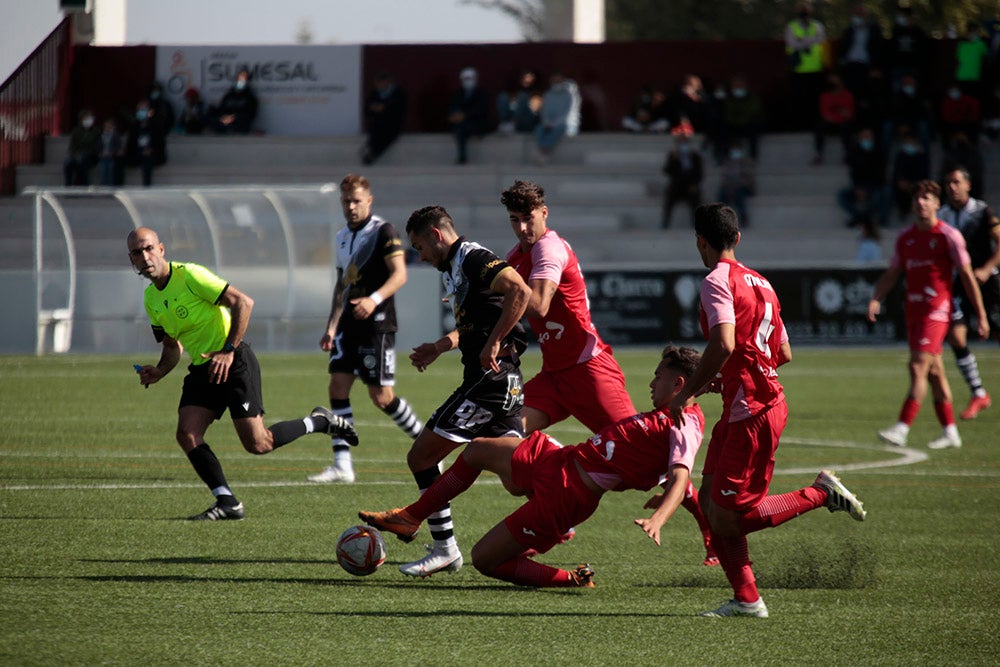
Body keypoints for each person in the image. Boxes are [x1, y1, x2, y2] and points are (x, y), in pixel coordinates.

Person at [360, 345, 711, 588]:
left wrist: (659, 518)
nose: (651, 383)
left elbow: (682, 478)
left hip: (568, 495)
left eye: (658, 377)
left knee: (485, 560)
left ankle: (572, 578)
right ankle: (411, 517)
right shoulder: (668, 414)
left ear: (679, 384)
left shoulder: (685, 424)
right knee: (478, 449)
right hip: (559, 460)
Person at [667, 203, 867, 618]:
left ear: (700, 242)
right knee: (709, 500)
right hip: (747, 405)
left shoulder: (716, 281)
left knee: (729, 518)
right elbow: (784, 353)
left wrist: (691, 391)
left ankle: (819, 494)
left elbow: (722, 343)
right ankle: (746, 599)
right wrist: (733, 377)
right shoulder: (762, 282)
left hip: (753, 412)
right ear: (737, 238)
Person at [126, 227, 357, 520]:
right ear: (131, 260)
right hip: (202, 368)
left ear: (161, 248)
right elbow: (172, 346)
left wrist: (228, 350)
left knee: (259, 444)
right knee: (187, 433)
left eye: (148, 248)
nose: (144, 257)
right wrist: (159, 371)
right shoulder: (151, 299)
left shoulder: (190, 275)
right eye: (137, 252)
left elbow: (243, 303)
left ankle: (320, 421)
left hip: (234, 361)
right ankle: (227, 501)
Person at [394, 205, 531, 577]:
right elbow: (478, 322)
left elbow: (520, 290)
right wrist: (439, 346)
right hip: (503, 378)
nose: (419, 256)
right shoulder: (457, 267)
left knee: (422, 457)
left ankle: (445, 549)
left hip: (487, 380)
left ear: (436, 235)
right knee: (518, 478)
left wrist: (495, 342)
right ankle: (563, 501)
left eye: (420, 246)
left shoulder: (472, 257)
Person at [309, 174, 423, 484]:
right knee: (337, 387)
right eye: (346, 201)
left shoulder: (383, 231)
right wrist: (331, 327)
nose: (351, 206)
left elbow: (400, 275)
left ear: (369, 201)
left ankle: (429, 445)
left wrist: (373, 300)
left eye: (357, 201)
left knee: (382, 397)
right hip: (348, 325)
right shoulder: (341, 237)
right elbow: (341, 284)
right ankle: (342, 464)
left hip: (377, 324)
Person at [869, 180, 989, 449]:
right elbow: (893, 274)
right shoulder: (906, 238)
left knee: (917, 366)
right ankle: (950, 432)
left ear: (937, 204)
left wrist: (981, 315)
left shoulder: (949, 236)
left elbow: (968, 277)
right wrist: (877, 298)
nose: (921, 202)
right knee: (934, 373)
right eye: (917, 199)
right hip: (914, 310)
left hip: (938, 310)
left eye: (927, 198)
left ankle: (902, 428)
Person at [938, 168, 1000, 420]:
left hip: (987, 282)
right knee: (955, 335)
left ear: (968, 185)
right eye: (948, 183)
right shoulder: (941, 214)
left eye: (956, 182)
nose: (952, 187)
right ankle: (979, 393)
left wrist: (987, 268)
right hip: (959, 283)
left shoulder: (982, 211)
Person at [784, 1, 827, 132]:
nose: (804, 12)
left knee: (814, 102)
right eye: (802, 10)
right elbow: (792, 44)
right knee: (798, 102)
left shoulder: (817, 26)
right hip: (798, 70)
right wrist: (810, 40)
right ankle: (798, 126)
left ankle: (815, 127)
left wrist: (801, 40)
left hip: (815, 70)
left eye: (806, 9)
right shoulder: (791, 26)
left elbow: (820, 40)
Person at [837, 127, 887, 227]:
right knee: (841, 195)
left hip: (874, 185)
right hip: (860, 185)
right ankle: (863, 218)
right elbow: (854, 173)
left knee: (881, 194)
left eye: (869, 136)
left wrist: (868, 188)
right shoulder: (855, 152)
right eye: (864, 136)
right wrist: (858, 188)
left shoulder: (879, 153)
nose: (867, 139)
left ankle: (861, 218)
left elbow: (880, 174)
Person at [836, 3, 885, 97]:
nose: (857, 16)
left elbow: (879, 50)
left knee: (865, 95)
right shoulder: (848, 31)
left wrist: (877, 68)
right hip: (849, 66)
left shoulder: (874, 30)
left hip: (866, 66)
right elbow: (842, 50)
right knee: (850, 94)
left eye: (860, 14)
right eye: (855, 14)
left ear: (865, 15)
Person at [533, 72, 581, 165]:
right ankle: (542, 152)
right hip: (546, 123)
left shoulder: (568, 96)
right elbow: (544, 111)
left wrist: (554, 124)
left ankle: (543, 152)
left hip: (561, 124)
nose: (557, 83)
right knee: (539, 129)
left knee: (557, 131)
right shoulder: (548, 95)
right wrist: (547, 122)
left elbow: (566, 113)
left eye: (559, 81)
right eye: (555, 81)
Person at [661, 128, 704, 229]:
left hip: (691, 186)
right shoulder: (673, 156)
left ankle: (697, 225)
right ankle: (665, 224)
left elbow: (699, 173)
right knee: (669, 199)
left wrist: (694, 184)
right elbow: (666, 171)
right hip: (677, 186)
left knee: (696, 200)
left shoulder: (695, 157)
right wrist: (674, 160)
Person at [447, 67, 491, 165]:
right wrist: (454, 116)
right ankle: (462, 157)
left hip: (477, 122)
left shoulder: (482, 93)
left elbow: (481, 109)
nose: (467, 81)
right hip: (461, 124)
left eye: (469, 79)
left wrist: (464, 115)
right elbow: (453, 107)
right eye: (465, 79)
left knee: (463, 127)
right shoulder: (458, 93)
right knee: (459, 129)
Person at [362, 72, 407, 165]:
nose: (380, 85)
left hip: (394, 123)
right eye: (378, 83)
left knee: (387, 134)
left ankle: (374, 153)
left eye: (382, 83)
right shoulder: (374, 93)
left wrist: (384, 108)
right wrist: (375, 108)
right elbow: (367, 109)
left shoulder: (398, 93)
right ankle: (371, 151)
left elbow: (400, 109)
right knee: (376, 132)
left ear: (388, 82)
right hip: (378, 122)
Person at [813, 72, 855, 165]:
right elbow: (825, 113)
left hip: (843, 123)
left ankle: (847, 155)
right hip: (830, 123)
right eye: (831, 80)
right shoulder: (824, 96)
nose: (833, 82)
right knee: (820, 127)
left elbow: (849, 113)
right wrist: (839, 114)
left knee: (846, 127)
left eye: (835, 80)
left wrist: (840, 114)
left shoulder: (847, 95)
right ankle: (818, 154)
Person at [717, 142, 756, 227]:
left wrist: (736, 185)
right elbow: (724, 177)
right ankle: (719, 218)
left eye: (737, 149)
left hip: (743, 187)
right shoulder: (727, 162)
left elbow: (749, 179)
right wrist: (729, 186)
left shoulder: (747, 162)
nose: (735, 152)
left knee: (738, 195)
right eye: (734, 149)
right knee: (722, 193)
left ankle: (743, 218)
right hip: (730, 187)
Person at [212, 68, 258, 135]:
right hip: (224, 125)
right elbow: (221, 109)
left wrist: (233, 118)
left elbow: (250, 114)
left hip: (240, 126)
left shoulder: (249, 97)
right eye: (239, 78)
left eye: (243, 79)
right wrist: (225, 117)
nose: (241, 81)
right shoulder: (229, 95)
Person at [496, 69, 541, 135]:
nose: (527, 80)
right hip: (510, 121)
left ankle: (511, 125)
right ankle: (508, 124)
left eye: (530, 78)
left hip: (526, 122)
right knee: (503, 97)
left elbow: (533, 112)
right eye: (524, 78)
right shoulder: (507, 95)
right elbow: (506, 110)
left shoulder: (529, 95)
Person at [63, 109, 100, 186]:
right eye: (86, 118)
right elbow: (73, 145)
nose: (89, 120)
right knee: (68, 163)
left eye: (90, 118)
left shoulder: (96, 131)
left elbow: (96, 146)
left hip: (90, 155)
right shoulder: (76, 130)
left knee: (82, 160)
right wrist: (74, 153)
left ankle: (82, 185)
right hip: (77, 154)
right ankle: (68, 186)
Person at [127, 100, 158, 187]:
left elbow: (158, 143)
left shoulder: (154, 125)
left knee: (147, 158)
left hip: (150, 152)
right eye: (140, 109)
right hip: (136, 151)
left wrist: (150, 149)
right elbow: (130, 144)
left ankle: (146, 186)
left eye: (144, 109)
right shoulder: (134, 126)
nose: (142, 111)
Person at [96, 117, 127, 187]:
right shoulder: (101, 136)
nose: (108, 128)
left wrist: (113, 152)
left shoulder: (116, 135)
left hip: (111, 158)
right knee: (102, 172)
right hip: (103, 158)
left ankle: (110, 187)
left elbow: (118, 146)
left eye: (109, 126)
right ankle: (103, 187)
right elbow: (98, 146)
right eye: (106, 126)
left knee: (110, 172)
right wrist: (99, 153)